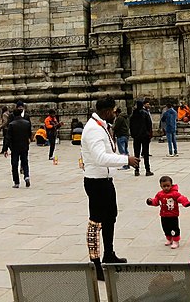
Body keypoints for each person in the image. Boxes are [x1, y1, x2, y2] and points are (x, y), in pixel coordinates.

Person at [81, 96, 140, 280]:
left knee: (110, 217)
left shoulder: (100, 126)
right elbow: (100, 158)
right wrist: (126, 160)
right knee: (96, 223)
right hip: (96, 182)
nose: (116, 114)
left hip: (105, 180)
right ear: (106, 111)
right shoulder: (93, 130)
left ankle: (109, 253)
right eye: (114, 111)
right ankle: (96, 263)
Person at [146, 175, 190, 249]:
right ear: (161, 186)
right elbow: (156, 202)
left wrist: (185, 202)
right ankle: (169, 238)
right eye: (164, 186)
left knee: (174, 228)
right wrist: (151, 202)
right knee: (165, 228)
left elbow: (181, 198)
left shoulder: (174, 194)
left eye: (168, 186)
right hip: (163, 215)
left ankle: (176, 240)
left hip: (173, 215)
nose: (166, 188)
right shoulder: (159, 194)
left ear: (171, 185)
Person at [4, 108, 32, 188]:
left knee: (14, 164)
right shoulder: (27, 123)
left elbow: (8, 138)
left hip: (15, 147)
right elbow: (29, 134)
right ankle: (26, 176)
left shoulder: (12, 124)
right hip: (24, 146)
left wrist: (5, 149)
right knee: (25, 162)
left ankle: (16, 182)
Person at [129, 99, 153, 176]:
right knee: (145, 154)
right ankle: (147, 170)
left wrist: (133, 134)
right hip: (145, 136)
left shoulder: (133, 114)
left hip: (136, 137)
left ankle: (136, 170)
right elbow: (149, 124)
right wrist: (149, 134)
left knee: (136, 154)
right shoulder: (145, 113)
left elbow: (131, 126)